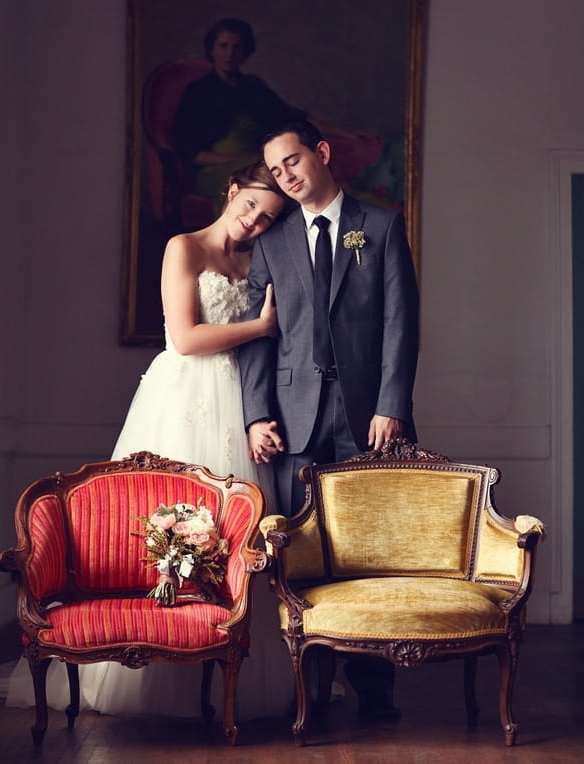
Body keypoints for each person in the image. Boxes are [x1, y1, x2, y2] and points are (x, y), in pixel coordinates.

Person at [0, 161, 294, 721]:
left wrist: (262, 409)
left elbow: (265, 352)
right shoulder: (184, 247)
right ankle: (146, 672)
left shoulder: (260, 258)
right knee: (161, 525)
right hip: (184, 392)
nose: (253, 222)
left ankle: (237, 677)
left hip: (240, 397)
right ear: (232, 190)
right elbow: (184, 337)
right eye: (250, 205)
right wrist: (261, 326)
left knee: (236, 537)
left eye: (266, 217)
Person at [238, 120, 419, 719]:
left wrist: (392, 403)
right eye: (276, 169)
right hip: (294, 422)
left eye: (293, 161)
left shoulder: (383, 226)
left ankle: (375, 691)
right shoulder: (273, 239)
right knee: (301, 554)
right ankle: (308, 690)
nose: (286, 176)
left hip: (371, 418)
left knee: (372, 552)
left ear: (321, 154)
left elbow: (400, 325)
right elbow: (261, 339)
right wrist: (256, 414)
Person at [172, 17, 380, 216]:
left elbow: (293, 118)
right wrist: (239, 160)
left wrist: (347, 133)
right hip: (214, 171)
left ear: (245, 51)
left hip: (255, 163)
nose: (230, 54)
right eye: (223, 46)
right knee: (265, 181)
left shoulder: (253, 88)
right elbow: (190, 151)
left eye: (237, 47)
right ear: (212, 49)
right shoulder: (198, 93)